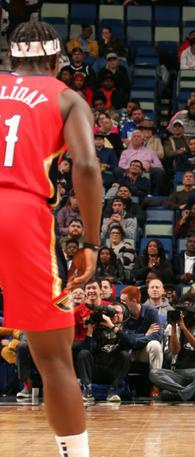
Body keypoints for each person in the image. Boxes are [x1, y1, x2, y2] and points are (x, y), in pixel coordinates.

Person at [0, 19, 104, 457]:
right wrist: (91, 244)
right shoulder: (66, 98)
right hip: (19, 213)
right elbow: (87, 166)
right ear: (58, 60)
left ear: (11, 58)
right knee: (54, 358)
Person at [149, 295, 195, 402]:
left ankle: (179, 394)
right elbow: (174, 351)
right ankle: (189, 392)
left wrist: (184, 329)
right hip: (178, 373)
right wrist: (173, 326)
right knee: (154, 373)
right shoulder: (175, 328)